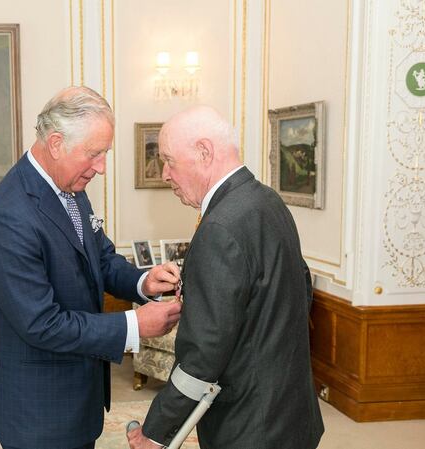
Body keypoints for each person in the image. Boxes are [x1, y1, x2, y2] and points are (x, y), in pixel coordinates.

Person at [0, 86, 183, 449]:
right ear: (56, 143)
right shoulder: (9, 216)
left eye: (104, 153)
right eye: (94, 153)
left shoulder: (69, 186)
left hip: (77, 400)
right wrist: (133, 324)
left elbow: (100, 258)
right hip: (38, 412)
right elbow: (42, 323)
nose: (101, 167)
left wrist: (143, 281)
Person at [127, 106, 323, 449]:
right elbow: (297, 294)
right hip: (290, 411)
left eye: (169, 160)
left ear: (204, 152)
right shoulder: (267, 200)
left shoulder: (219, 227)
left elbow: (202, 355)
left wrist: (157, 430)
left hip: (251, 425)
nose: (164, 173)